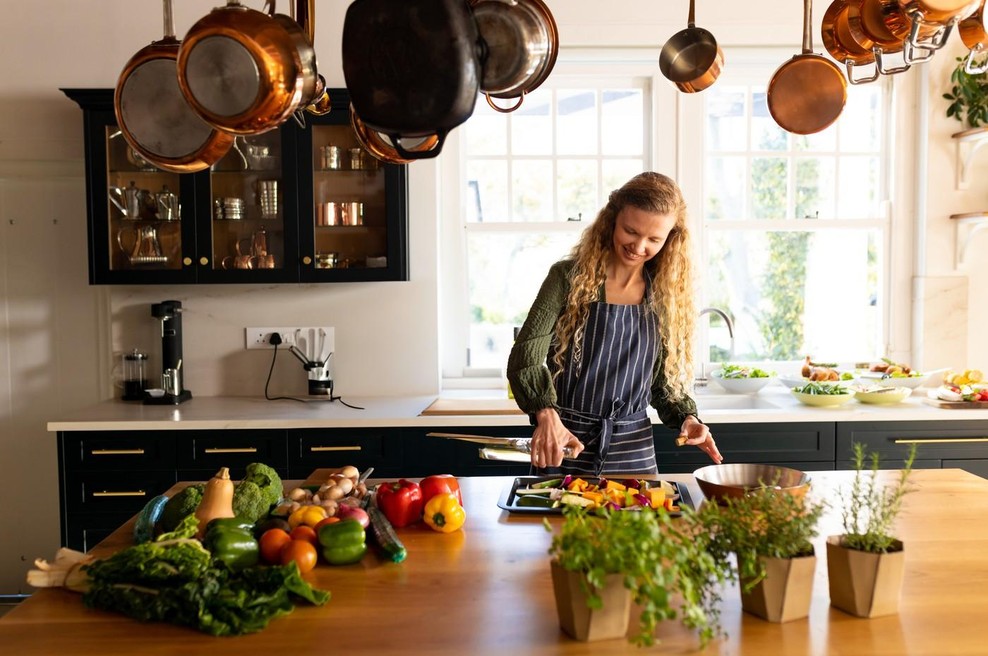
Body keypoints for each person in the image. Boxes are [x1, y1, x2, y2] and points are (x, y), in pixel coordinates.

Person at [506, 172, 723, 476]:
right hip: (563, 442)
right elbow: (525, 358)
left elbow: (661, 386)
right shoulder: (566, 278)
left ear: (670, 238)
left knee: (637, 524)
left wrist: (688, 419)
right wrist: (546, 415)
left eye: (654, 239)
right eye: (631, 231)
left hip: (633, 449)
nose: (639, 246)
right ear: (612, 221)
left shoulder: (665, 295)